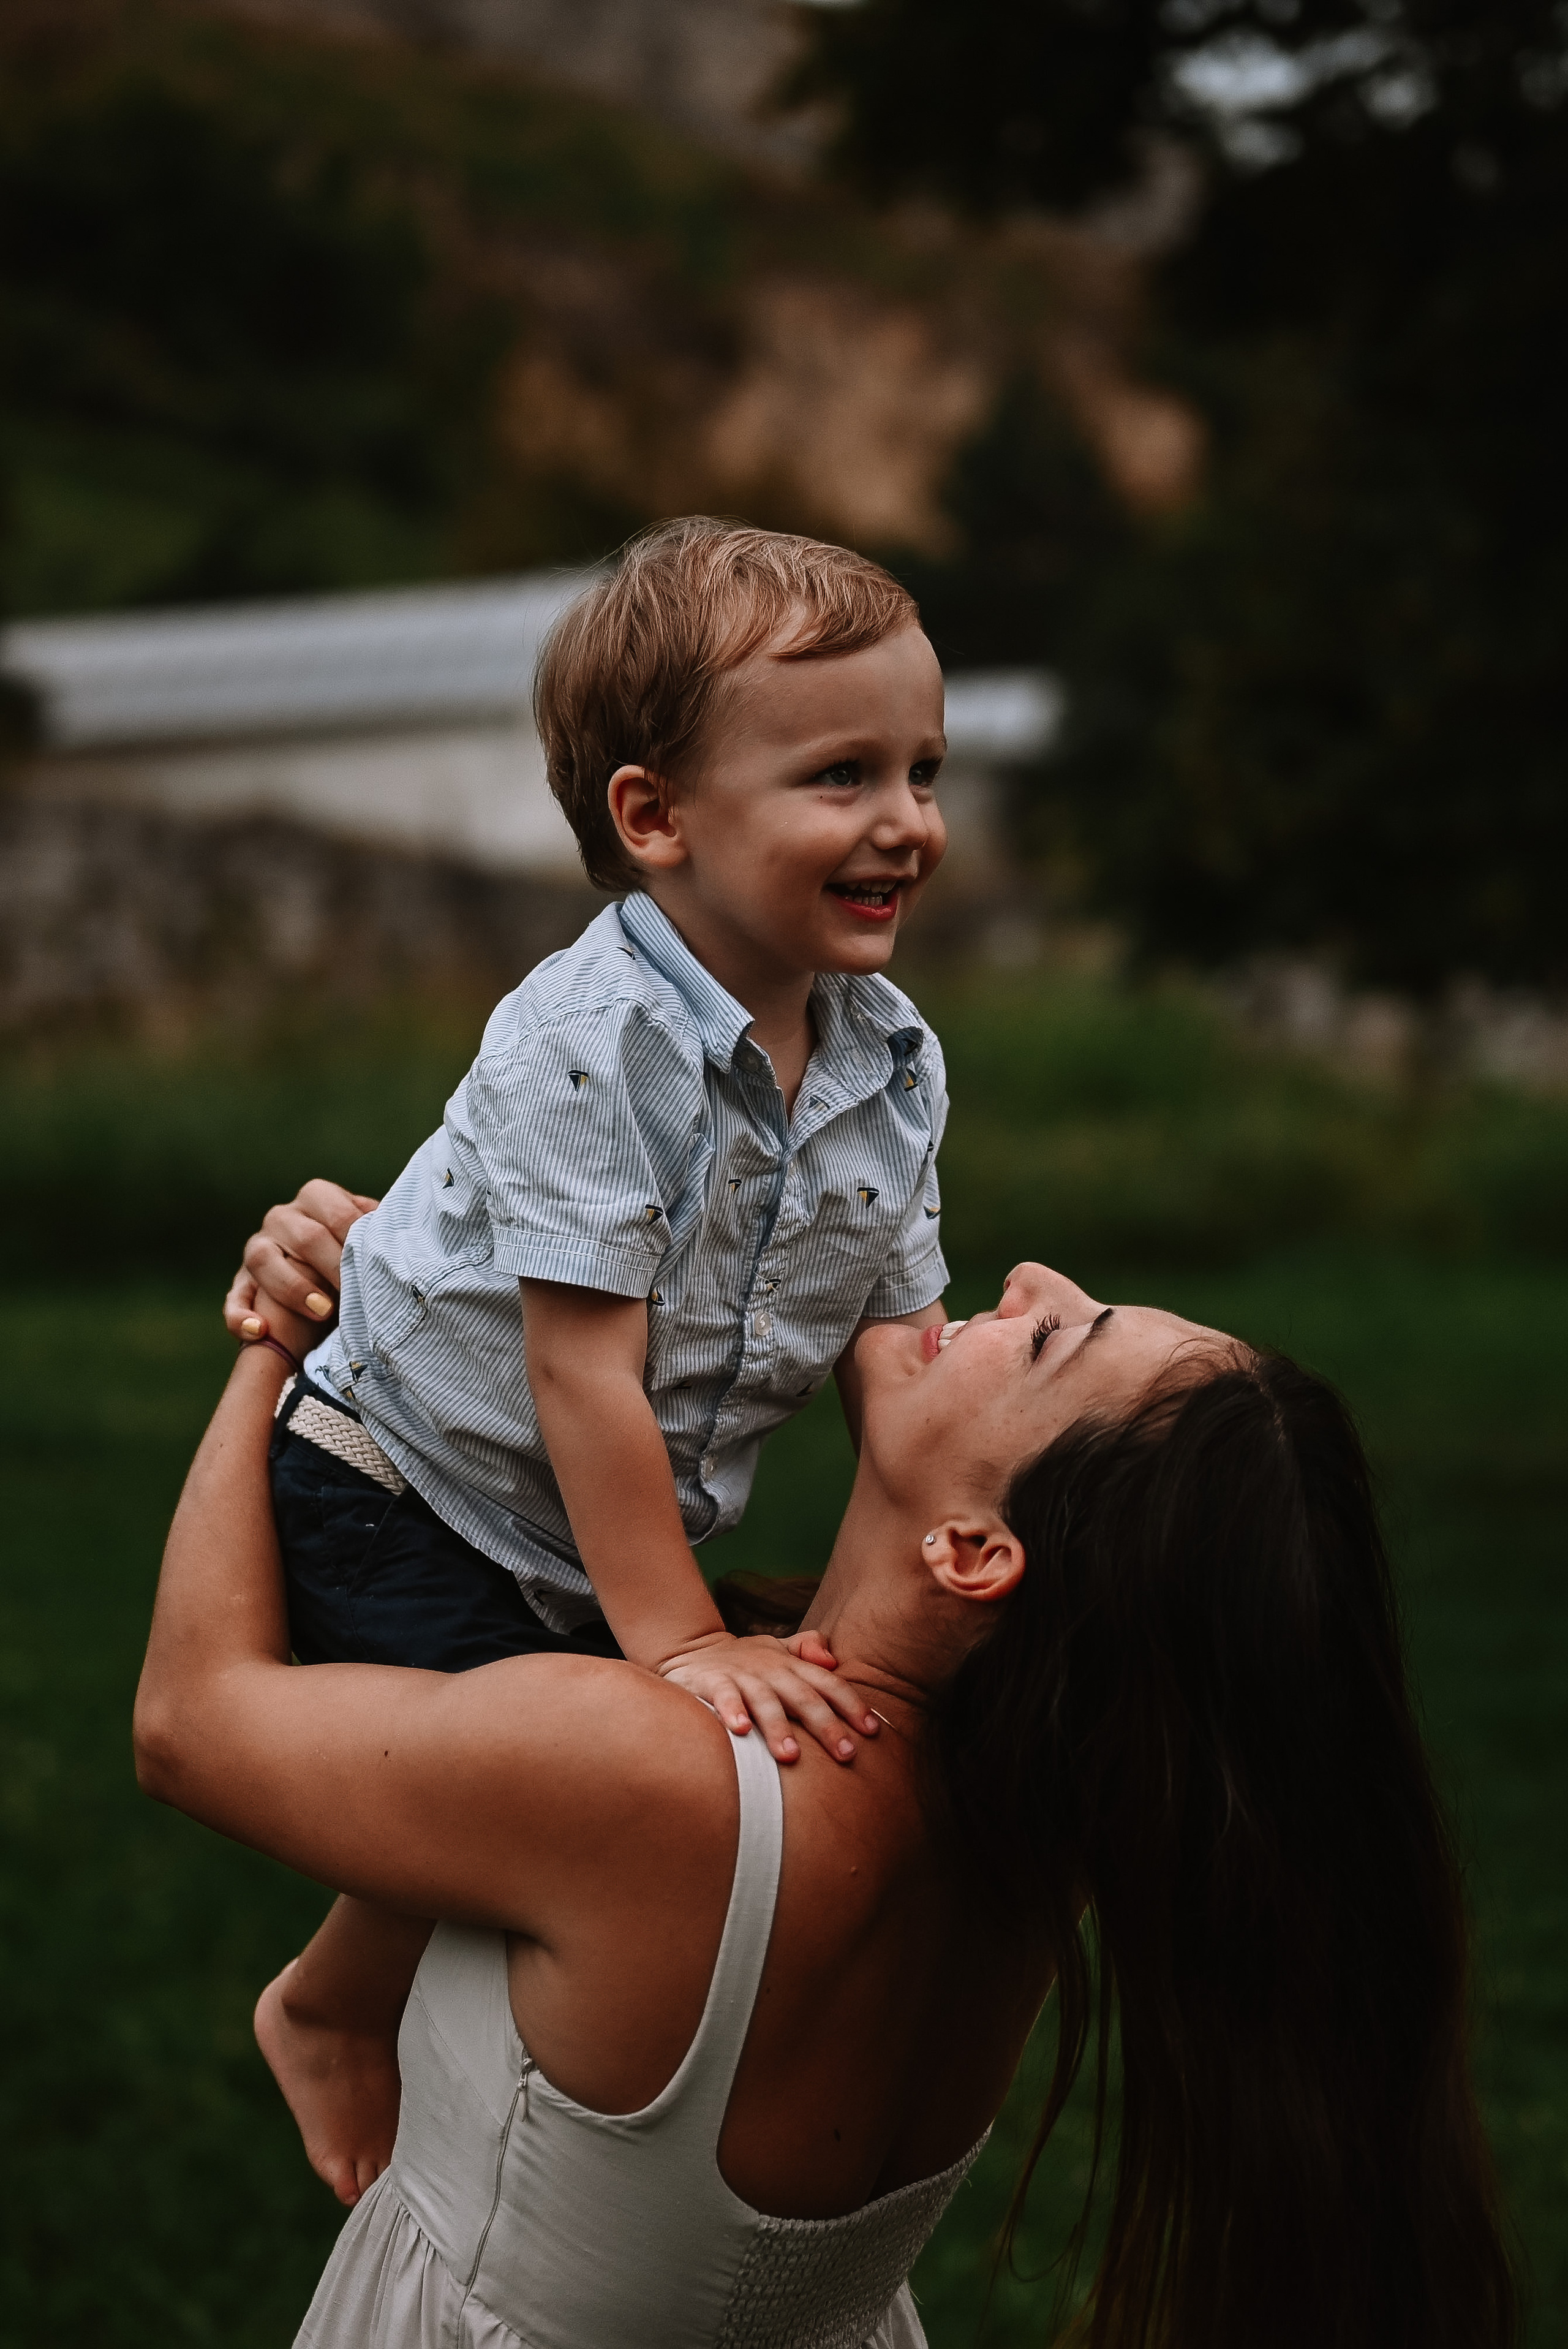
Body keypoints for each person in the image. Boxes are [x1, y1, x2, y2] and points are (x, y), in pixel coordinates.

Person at [140, 1239, 1519, 2349]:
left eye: (1050, 1339)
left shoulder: (663, 1787)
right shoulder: (1031, 1841)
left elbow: (190, 1722)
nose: (1029, 1277)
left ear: (974, 1552)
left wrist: (285, 1350)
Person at [235, 519, 954, 2200]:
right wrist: (685, 1645)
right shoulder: (591, 1040)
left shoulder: (892, 1056)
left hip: (586, 1517)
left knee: (598, 1773)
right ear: (656, 818)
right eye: (842, 774)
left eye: (925, 767)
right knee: (542, 1776)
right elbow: (579, 1379)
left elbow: (898, 1348)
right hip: (407, 1478)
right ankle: (330, 2009)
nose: (907, 822)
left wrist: (885, 1609)